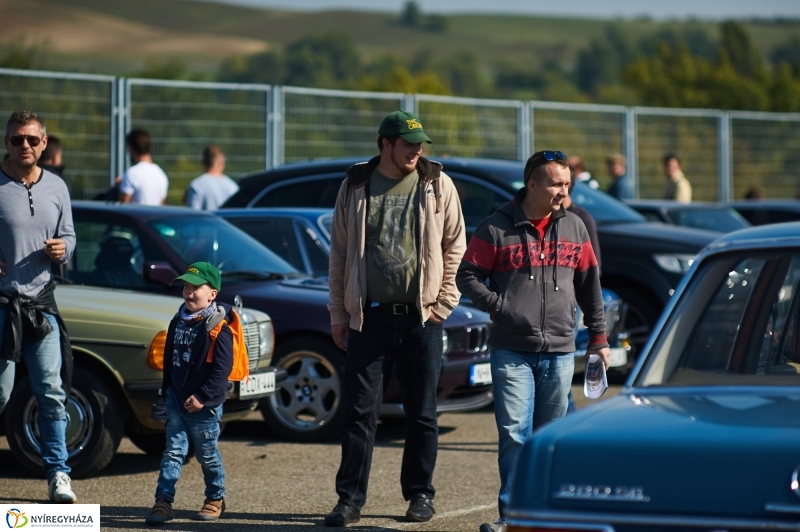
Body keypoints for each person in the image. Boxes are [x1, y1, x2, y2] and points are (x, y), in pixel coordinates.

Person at [325, 110, 466, 527]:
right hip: (369, 320)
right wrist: (338, 312)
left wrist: (443, 304)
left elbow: (457, 246)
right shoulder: (355, 184)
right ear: (385, 144)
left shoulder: (437, 183)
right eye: (408, 144)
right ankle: (349, 500)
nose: (416, 150)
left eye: (420, 143)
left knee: (422, 414)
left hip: (422, 320)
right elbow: (339, 254)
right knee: (358, 415)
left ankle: (420, 495)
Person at [456, 150, 609, 532]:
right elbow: (467, 275)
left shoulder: (576, 226)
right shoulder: (495, 227)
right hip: (512, 350)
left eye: (568, 184)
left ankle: (548, 517)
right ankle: (513, 518)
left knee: (550, 440)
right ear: (533, 184)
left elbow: (590, 287)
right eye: (557, 184)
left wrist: (598, 338)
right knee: (514, 436)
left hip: (560, 350)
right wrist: (501, 307)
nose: (564, 191)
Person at [0, 110, 77, 503]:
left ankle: (58, 475)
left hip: (42, 306)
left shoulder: (58, 188)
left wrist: (64, 249)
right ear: (7, 142)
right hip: (2, 305)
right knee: (0, 393)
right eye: (16, 140)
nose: (24, 146)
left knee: (51, 392)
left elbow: (69, 236)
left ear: (44, 143)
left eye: (31, 139)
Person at [145, 262, 233, 526]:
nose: (189, 292)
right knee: (173, 452)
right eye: (186, 286)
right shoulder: (178, 319)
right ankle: (163, 501)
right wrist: (166, 390)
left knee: (207, 453)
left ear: (212, 294)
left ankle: (216, 498)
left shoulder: (218, 327)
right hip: (176, 399)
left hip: (203, 406)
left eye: (196, 287)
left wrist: (202, 397)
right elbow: (171, 360)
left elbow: (221, 370)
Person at [119, 129, 169, 205]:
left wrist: (120, 188)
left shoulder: (132, 173)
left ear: (130, 148)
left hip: (136, 217)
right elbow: (160, 206)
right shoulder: (161, 175)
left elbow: (122, 207)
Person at [185, 145, 239, 211]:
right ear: (221, 163)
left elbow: (192, 215)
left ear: (203, 162)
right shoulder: (233, 187)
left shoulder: (196, 186)